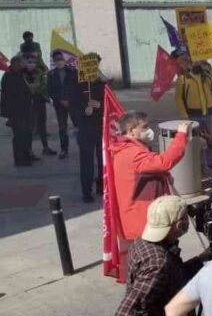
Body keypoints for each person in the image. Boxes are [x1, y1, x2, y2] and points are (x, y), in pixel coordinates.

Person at [110, 112, 192, 239]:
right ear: (132, 131)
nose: (149, 130)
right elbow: (164, 163)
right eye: (144, 127)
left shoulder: (130, 149)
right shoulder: (132, 153)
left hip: (144, 218)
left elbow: (151, 170)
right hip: (143, 222)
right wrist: (180, 135)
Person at [174, 53, 212, 169]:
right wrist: (184, 115)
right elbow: (178, 99)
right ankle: (198, 165)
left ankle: (210, 162)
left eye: (201, 62)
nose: (198, 64)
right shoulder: (183, 79)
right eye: (196, 62)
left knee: (210, 139)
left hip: (208, 114)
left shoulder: (207, 77)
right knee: (196, 140)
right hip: (192, 115)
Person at [71, 71, 107, 202]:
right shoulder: (78, 86)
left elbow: (111, 104)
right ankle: (86, 191)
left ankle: (102, 186)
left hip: (101, 128)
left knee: (102, 160)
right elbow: (73, 107)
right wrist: (84, 112)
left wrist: (100, 105)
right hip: (85, 130)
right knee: (87, 163)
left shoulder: (102, 85)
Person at [0, 55, 36, 166]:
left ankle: (27, 154)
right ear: (17, 63)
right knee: (19, 135)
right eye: (23, 62)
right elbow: (10, 96)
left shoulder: (20, 74)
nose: (25, 64)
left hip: (25, 110)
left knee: (26, 134)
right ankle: (19, 159)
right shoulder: (8, 76)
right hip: (16, 111)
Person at [46, 50, 78, 159]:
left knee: (78, 125)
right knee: (62, 127)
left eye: (61, 59)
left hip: (74, 103)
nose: (59, 61)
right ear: (54, 61)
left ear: (64, 59)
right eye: (56, 60)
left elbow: (77, 88)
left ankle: (82, 145)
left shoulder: (74, 72)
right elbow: (50, 90)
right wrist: (60, 100)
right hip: (59, 105)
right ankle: (64, 149)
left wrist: (70, 99)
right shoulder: (51, 74)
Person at [23, 54, 55, 157]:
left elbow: (44, 85)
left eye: (33, 62)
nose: (32, 64)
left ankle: (45, 148)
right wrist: (31, 88)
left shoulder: (40, 72)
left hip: (39, 101)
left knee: (42, 126)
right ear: (25, 62)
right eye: (29, 62)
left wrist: (34, 88)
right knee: (29, 128)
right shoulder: (21, 74)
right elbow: (22, 88)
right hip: (27, 103)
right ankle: (29, 151)